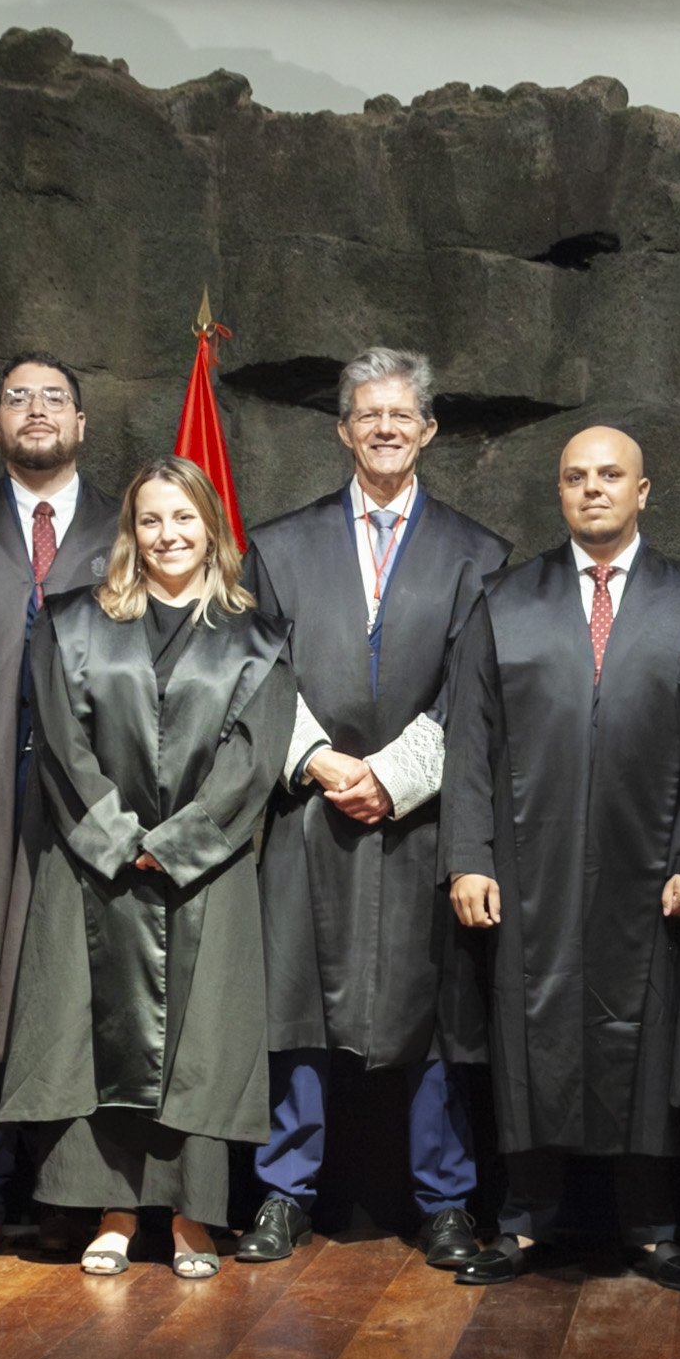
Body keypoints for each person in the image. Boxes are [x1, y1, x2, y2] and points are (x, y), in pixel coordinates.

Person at [241, 348, 509, 1266]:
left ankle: (445, 1199)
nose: (384, 428)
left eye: (401, 415)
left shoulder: (477, 554)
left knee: (434, 1012)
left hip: (421, 818)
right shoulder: (280, 546)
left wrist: (392, 776)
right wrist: (319, 762)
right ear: (343, 431)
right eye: (368, 414)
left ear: (427, 430)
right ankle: (283, 1190)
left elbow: (471, 695)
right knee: (296, 1004)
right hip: (309, 814)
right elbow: (259, 673)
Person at [1, 459, 299, 1275]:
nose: (168, 535)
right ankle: (113, 1212)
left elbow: (254, 759)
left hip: (206, 871)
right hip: (95, 864)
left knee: (199, 1044)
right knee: (95, 1034)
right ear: (130, 531)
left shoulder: (257, 637)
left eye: (183, 518)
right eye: (150, 519)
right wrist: (117, 837)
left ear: (212, 527)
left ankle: (194, 1216)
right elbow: (60, 745)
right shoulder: (73, 622)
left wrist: (175, 844)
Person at [444, 423, 680, 1291]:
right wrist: (467, 856)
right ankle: (523, 1220)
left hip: (650, 860)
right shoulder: (505, 598)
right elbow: (468, 740)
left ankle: (652, 1226)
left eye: (609, 475)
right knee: (529, 1031)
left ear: (643, 490)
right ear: (558, 492)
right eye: (575, 476)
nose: (592, 488)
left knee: (648, 1032)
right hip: (529, 859)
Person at [0, 350, 116, 1254]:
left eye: (54, 397)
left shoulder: (127, 524)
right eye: (17, 397)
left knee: (75, 980)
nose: (36, 409)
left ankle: (72, 1186)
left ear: (81, 423)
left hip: (93, 790)